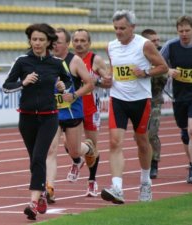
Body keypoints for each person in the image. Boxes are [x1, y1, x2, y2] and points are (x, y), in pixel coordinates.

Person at [2, 23, 72, 221]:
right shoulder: (22, 61)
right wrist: (22, 83)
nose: (37, 43)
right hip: (26, 117)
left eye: (41, 40)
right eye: (34, 39)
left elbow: (67, 82)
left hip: (49, 117)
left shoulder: (57, 63)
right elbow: (6, 86)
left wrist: (61, 86)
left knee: (40, 156)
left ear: (49, 42)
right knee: (34, 159)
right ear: (30, 41)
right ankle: (40, 193)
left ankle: (33, 204)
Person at [100, 10, 168, 204]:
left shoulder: (144, 45)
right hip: (118, 99)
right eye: (115, 28)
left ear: (132, 28)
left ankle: (145, 183)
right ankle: (117, 188)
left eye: (122, 28)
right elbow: (113, 70)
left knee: (142, 142)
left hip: (140, 100)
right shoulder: (111, 46)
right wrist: (108, 78)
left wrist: (145, 72)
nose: (118, 32)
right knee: (114, 142)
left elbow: (162, 67)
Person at [45, 27, 96, 204]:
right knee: (50, 150)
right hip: (53, 113)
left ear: (67, 44)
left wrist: (74, 95)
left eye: (58, 42)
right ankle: (49, 188)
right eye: (52, 42)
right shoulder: (46, 60)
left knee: (74, 150)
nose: (54, 45)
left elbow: (90, 84)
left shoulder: (74, 61)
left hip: (72, 113)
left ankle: (87, 148)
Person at [160, 15, 192, 184]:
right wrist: (168, 70)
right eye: (181, 31)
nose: (184, 34)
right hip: (178, 96)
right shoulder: (170, 46)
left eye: (187, 30)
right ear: (177, 31)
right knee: (185, 132)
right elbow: (157, 63)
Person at [71, 28, 112, 195]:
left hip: (90, 108)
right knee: (69, 144)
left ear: (89, 43)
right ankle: (77, 159)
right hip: (72, 107)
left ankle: (92, 181)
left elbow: (109, 81)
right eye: (76, 41)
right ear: (72, 42)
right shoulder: (68, 60)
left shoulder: (95, 60)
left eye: (83, 41)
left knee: (92, 145)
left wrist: (98, 81)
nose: (79, 44)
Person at [141, 29, 168, 179]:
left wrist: (147, 72)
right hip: (139, 100)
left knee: (152, 132)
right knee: (140, 135)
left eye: (158, 40)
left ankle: (154, 163)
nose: (157, 44)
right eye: (154, 41)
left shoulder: (161, 58)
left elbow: (162, 78)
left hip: (155, 99)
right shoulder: (138, 56)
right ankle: (145, 162)